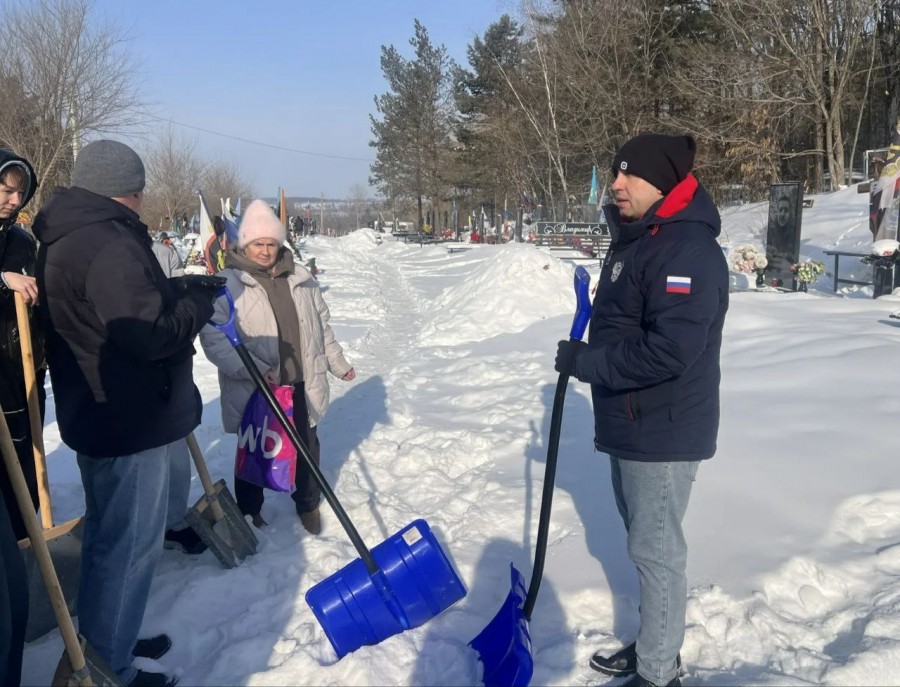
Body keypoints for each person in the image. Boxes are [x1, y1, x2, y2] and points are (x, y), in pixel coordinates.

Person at [33, 139, 220, 687]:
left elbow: (123, 305)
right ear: (128, 191)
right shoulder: (107, 241)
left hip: (99, 410)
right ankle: (108, 667)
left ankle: (101, 640)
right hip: (129, 419)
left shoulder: (69, 232)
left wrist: (180, 286)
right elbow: (151, 335)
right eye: (140, 192)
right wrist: (200, 304)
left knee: (110, 539)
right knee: (129, 548)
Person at [554, 133, 728, 687]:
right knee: (646, 546)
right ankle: (658, 646)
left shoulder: (688, 250)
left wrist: (587, 363)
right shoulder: (640, 238)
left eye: (629, 175)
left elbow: (671, 349)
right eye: (615, 173)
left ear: (663, 184)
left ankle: (658, 674)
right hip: (631, 422)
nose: (616, 183)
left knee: (656, 554)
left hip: (662, 428)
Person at [200, 199, 355, 532]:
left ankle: (308, 503)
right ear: (245, 243)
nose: (265, 251)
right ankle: (249, 510)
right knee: (256, 447)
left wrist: (337, 362)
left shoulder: (301, 278)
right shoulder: (228, 284)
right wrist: (254, 370)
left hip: (300, 379)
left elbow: (321, 326)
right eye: (258, 244)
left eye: (271, 243)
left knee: (307, 445)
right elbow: (214, 340)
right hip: (257, 385)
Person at [0, 152, 43, 544]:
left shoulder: (20, 238)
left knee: (28, 462)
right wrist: (2, 279)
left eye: (20, 193)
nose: (13, 199)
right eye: (6, 188)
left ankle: (29, 544)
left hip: (24, 366)